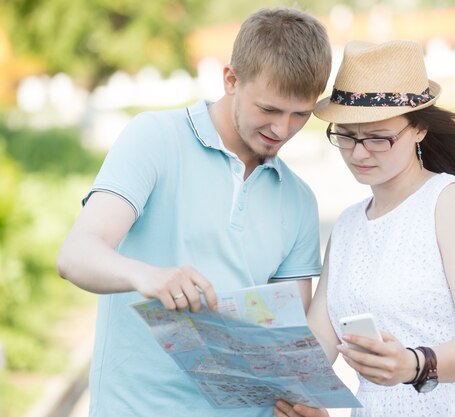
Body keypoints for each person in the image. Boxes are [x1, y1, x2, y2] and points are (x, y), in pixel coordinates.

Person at [56, 8, 332, 417]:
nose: (283, 130)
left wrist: (303, 403)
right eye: (269, 110)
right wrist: (145, 275)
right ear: (231, 80)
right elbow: (75, 255)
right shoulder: (154, 139)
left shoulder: (299, 200)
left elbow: (287, 347)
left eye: (300, 115)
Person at [274, 40, 455, 417]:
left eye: (378, 137)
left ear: (419, 128)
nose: (358, 153)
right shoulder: (349, 224)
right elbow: (320, 339)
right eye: (347, 136)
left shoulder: (448, 200)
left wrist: (414, 365)